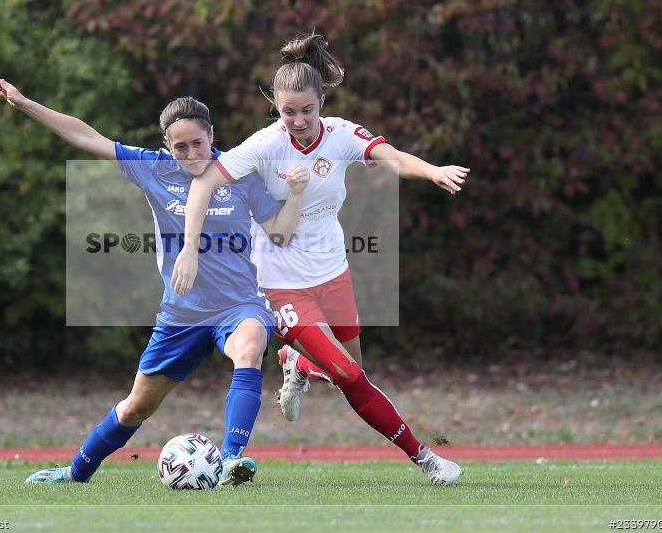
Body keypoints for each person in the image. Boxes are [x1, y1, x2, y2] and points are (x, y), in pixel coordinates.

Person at [170, 34, 469, 486]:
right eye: (288, 112)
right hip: (280, 283)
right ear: (276, 107)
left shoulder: (343, 135)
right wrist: (190, 249)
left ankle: (298, 361)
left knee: (350, 371)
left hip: (333, 273)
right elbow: (202, 185)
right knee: (349, 374)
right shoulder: (266, 144)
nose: (298, 120)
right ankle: (427, 459)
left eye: (306, 110)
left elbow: (390, 157)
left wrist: (432, 170)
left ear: (321, 102)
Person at [0, 74, 308, 486]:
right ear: (166, 147)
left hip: (239, 304)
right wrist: (26, 103)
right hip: (182, 312)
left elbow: (280, 233)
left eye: (198, 142)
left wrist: (296, 194)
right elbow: (88, 137)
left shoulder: (240, 173)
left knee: (248, 349)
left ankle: (231, 462)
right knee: (137, 406)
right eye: (180, 146)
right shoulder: (154, 169)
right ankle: (75, 472)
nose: (191, 153)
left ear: (213, 135)